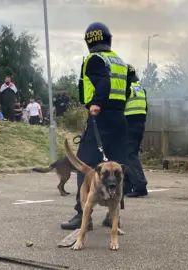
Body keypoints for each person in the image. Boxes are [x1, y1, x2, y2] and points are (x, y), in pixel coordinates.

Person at [60, 22, 132, 231]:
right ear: (108, 39)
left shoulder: (95, 60)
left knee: (85, 166)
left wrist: (96, 104)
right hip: (120, 119)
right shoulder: (119, 61)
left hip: (100, 118)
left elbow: (104, 83)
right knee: (117, 170)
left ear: (89, 41)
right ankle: (113, 216)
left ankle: (82, 214)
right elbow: (126, 90)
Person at [124, 64, 149, 198]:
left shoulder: (126, 88)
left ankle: (140, 186)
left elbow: (120, 107)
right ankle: (127, 186)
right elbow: (146, 109)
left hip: (129, 124)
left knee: (129, 156)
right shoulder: (140, 89)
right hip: (139, 125)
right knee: (128, 155)